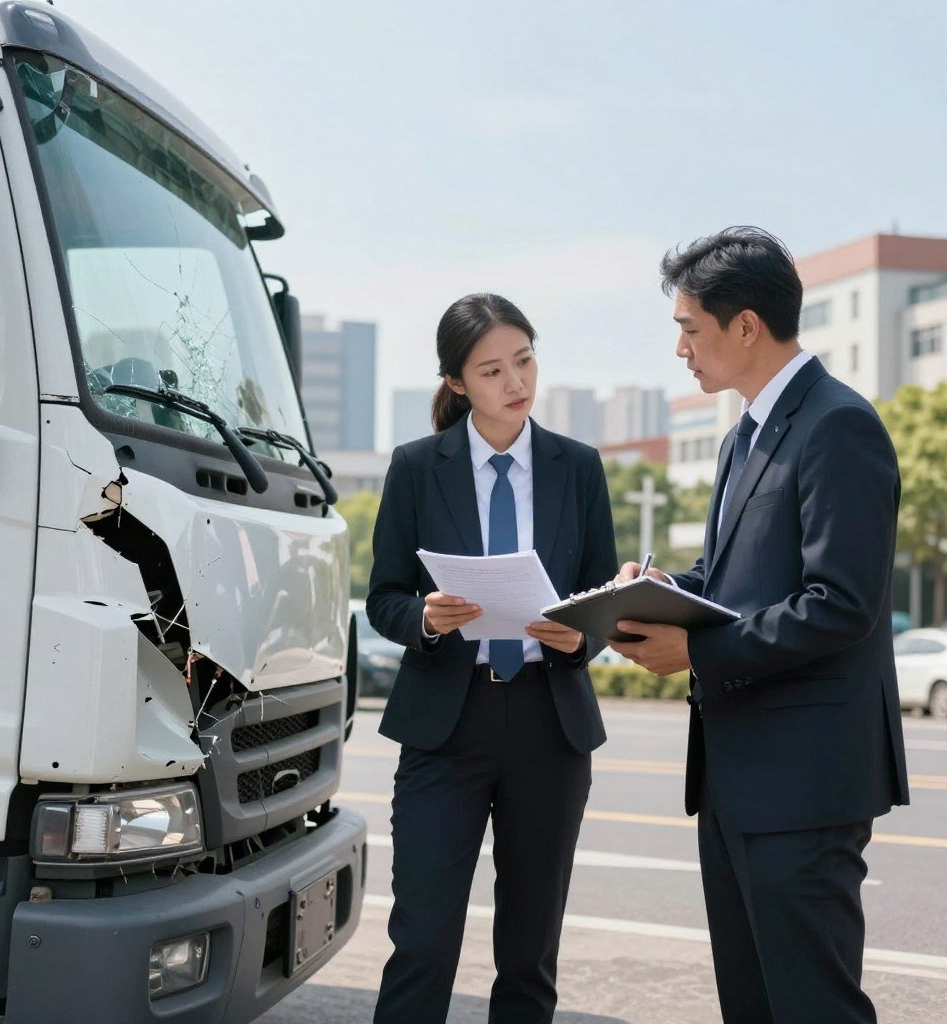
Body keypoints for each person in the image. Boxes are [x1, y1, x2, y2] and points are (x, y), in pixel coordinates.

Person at [610, 227, 909, 1024]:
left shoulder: (838, 425)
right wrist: (662, 591)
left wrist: (697, 650)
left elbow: (841, 602)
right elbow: (733, 581)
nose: (680, 350)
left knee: (812, 1007)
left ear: (745, 325)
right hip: (738, 780)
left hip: (804, 786)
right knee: (751, 1005)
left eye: (688, 329)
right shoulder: (744, 432)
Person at [367, 293, 618, 1024]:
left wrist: (582, 637)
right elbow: (384, 597)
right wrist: (426, 617)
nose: (516, 382)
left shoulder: (579, 466)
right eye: (492, 370)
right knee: (422, 940)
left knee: (530, 952)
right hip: (447, 724)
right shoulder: (417, 467)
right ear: (455, 384)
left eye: (525, 360)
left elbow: (601, 596)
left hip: (551, 723)